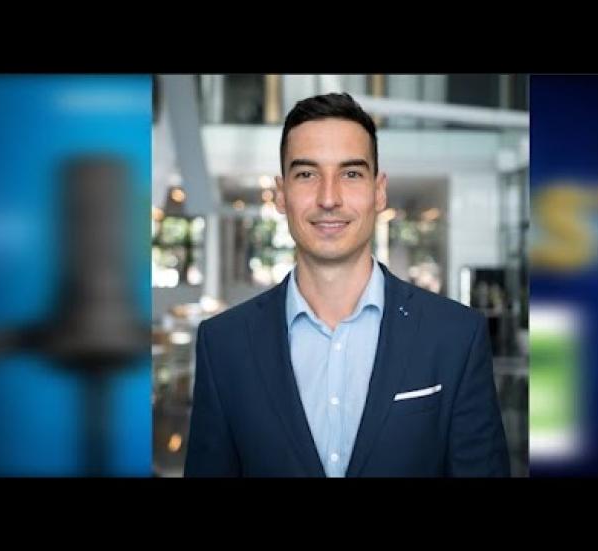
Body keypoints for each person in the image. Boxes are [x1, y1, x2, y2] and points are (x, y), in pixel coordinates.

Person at [184, 92, 509, 477]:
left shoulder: (455, 336)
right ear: (282, 194)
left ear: (378, 191)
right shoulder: (223, 345)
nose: (329, 198)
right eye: (307, 174)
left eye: (351, 174)